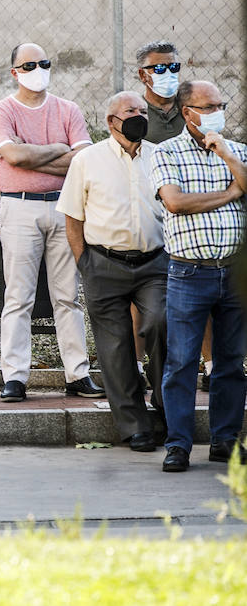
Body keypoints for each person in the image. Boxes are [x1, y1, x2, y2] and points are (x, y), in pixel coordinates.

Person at [0, 43, 102, 402]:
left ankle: (77, 374)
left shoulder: (68, 109)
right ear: (14, 72)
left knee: (68, 295)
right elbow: (13, 154)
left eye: (44, 62)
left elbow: (83, 158)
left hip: (64, 206)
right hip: (18, 208)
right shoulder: (0, 111)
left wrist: (29, 157)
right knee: (18, 295)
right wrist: (58, 148)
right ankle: (16, 377)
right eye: (29, 64)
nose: (38, 69)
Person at [56, 92, 167, 451]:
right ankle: (134, 426)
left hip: (155, 263)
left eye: (141, 110)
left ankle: (166, 409)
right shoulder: (88, 160)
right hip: (103, 263)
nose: (138, 116)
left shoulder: (159, 156)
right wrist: (84, 263)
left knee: (162, 324)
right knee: (115, 346)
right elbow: (73, 217)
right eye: (129, 111)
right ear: (110, 121)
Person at [150, 79, 247, 472]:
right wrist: (228, 194)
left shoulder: (237, 150)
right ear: (188, 113)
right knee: (182, 363)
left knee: (230, 361)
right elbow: (175, 202)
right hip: (190, 273)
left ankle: (225, 441)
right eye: (208, 107)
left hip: (235, 270)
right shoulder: (167, 152)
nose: (216, 112)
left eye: (220, 105)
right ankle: (179, 445)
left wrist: (227, 157)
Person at [135, 40, 213, 391]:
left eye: (174, 68)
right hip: (146, 211)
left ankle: (210, 365)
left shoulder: (191, 109)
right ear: (143, 74)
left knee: (205, 288)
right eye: (159, 69)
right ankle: (135, 366)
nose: (168, 75)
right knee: (139, 292)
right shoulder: (135, 113)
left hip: (189, 210)